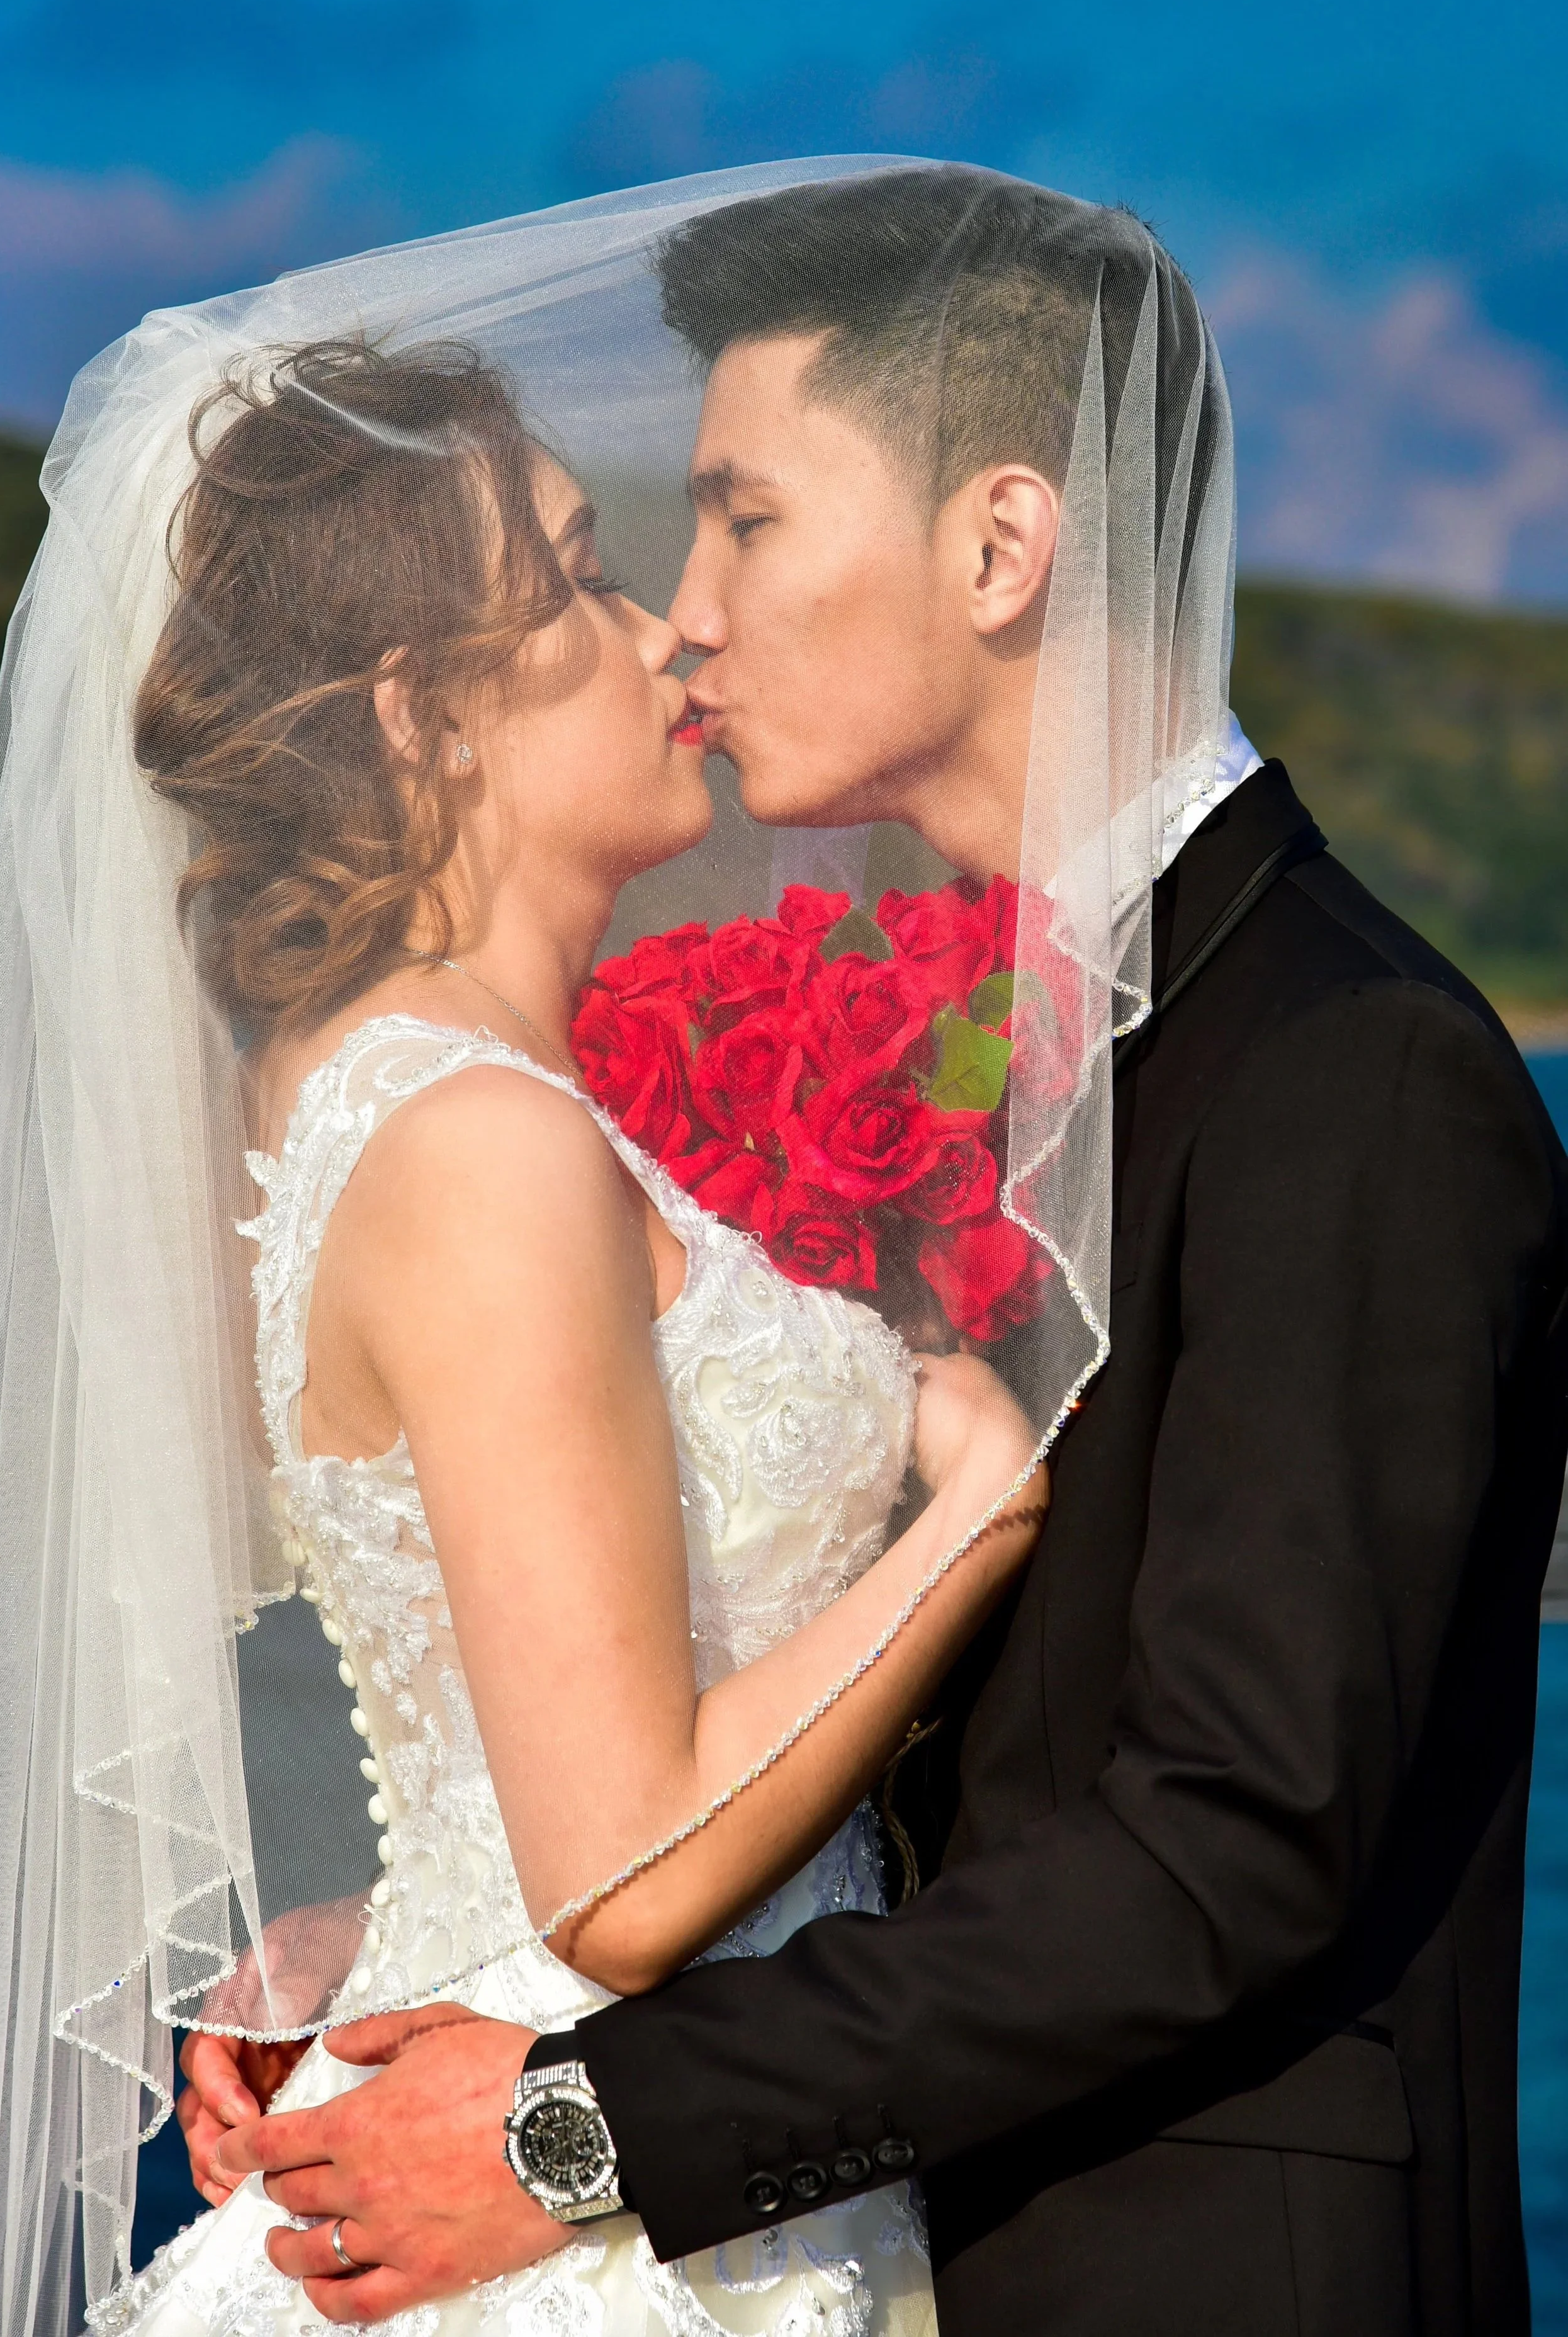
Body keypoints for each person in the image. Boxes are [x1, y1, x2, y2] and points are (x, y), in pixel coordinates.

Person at [199, 169, 1568, 2336]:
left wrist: (580, 2127)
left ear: (1001, 548)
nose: (687, 608)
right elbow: (379, 1495)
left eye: (744, 515)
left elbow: (1233, 1838)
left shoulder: (1347, 1066)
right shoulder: (933, 1055)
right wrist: (342, 1906)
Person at [0, 313, 1064, 2337]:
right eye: (575, 577)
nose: (668, 626)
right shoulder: (483, 1144)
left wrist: (328, 1917)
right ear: (422, 720)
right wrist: (984, 1501)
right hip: (581, 2199)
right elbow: (623, 1876)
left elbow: (397, 1662)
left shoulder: (343, 1095)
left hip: (506, 2073)